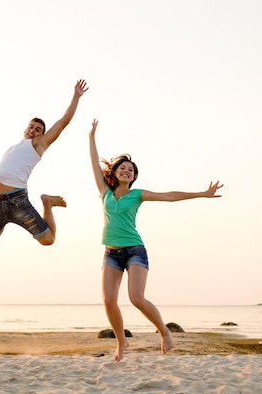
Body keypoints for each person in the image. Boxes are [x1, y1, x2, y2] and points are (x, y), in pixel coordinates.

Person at [88, 119, 223, 362]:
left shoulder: (138, 195)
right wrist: (91, 136)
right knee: (109, 301)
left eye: (131, 170)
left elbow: (170, 196)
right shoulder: (105, 193)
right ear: (115, 172)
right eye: (123, 168)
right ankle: (121, 342)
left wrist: (202, 194)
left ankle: (164, 331)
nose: (126, 171)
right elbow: (94, 164)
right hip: (111, 253)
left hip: (134, 251)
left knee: (136, 298)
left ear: (133, 176)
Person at [0, 79, 89, 246]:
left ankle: (47, 202)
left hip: (17, 201)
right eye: (30, 127)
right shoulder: (14, 147)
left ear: (42, 136)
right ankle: (5, 219)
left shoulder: (38, 145)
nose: (33, 131)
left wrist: (76, 96)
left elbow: (63, 122)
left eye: (37, 130)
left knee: (48, 240)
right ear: (25, 129)